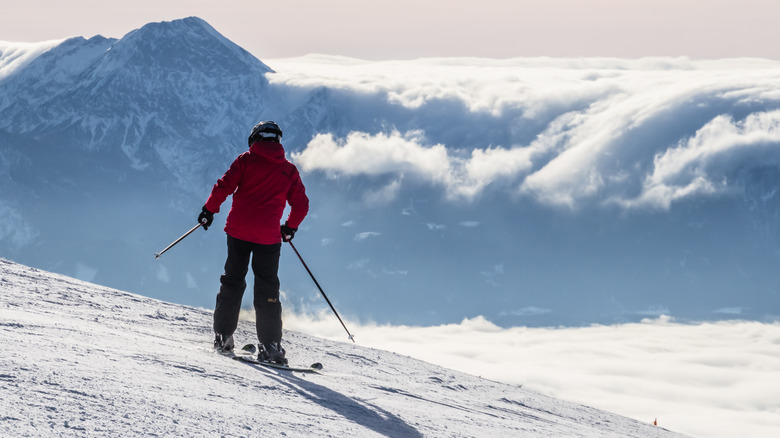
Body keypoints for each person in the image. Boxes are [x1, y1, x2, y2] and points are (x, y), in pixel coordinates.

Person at [198, 121, 308, 364]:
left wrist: (209, 210)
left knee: (233, 280)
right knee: (268, 289)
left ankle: (224, 336)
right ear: (277, 141)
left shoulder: (245, 161)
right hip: (268, 238)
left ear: (254, 139)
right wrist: (290, 227)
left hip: (238, 232)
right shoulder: (289, 170)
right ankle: (271, 346)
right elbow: (301, 204)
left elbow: (224, 186)